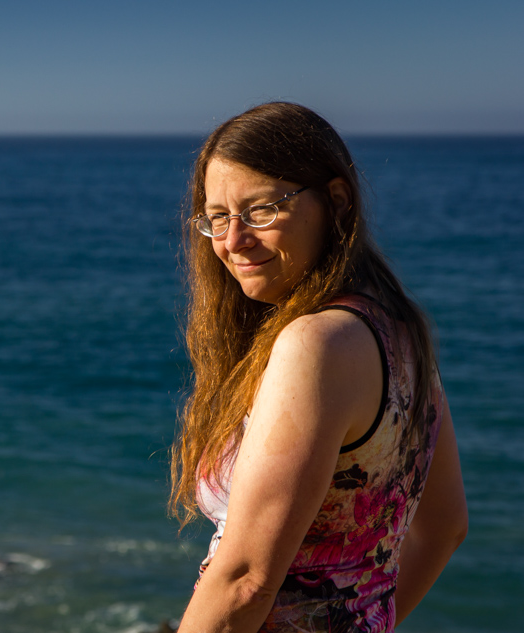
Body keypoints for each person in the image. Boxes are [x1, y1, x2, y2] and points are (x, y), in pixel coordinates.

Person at [169, 102, 468, 633]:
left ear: (336, 201)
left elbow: (244, 579)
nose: (233, 241)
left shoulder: (316, 344)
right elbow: (446, 527)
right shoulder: (399, 332)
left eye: (262, 210)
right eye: (217, 217)